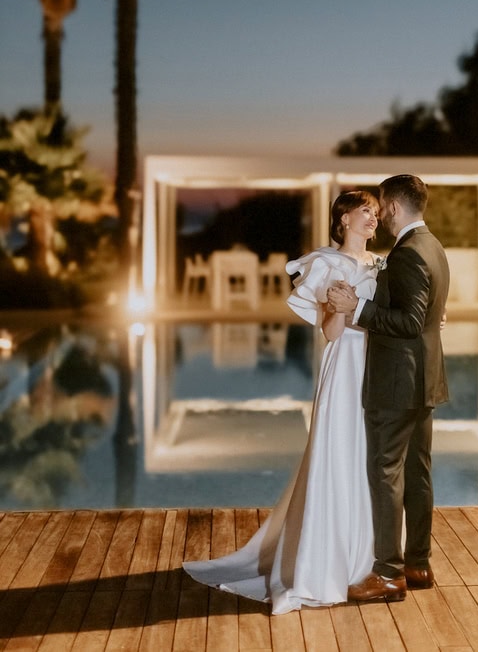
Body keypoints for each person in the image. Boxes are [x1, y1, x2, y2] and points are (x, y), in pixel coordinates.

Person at [183, 190, 382, 614]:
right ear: (343, 219)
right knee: (339, 454)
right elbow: (330, 333)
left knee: (369, 457)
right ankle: (325, 565)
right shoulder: (327, 264)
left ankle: (365, 557)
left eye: (377, 213)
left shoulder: (381, 264)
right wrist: (340, 309)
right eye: (365, 211)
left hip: (378, 369)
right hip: (345, 366)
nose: (373, 219)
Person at [327, 174, 450, 603]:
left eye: (381, 207)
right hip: (424, 381)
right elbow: (426, 315)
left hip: (397, 384)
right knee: (418, 474)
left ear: (394, 208)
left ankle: (388, 574)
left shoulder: (407, 255)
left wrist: (355, 306)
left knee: (386, 473)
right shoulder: (433, 247)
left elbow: (409, 322)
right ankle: (418, 563)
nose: (380, 215)